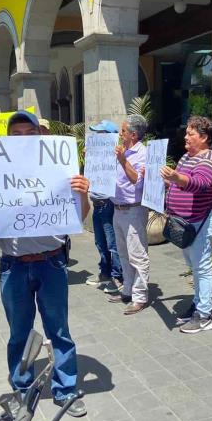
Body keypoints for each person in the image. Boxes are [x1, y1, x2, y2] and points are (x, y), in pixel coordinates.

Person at [0, 110, 90, 418]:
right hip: (13, 266)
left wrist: (84, 194)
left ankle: (65, 390)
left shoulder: (59, 170)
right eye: (16, 135)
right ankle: (22, 389)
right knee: (19, 333)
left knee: (59, 330)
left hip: (51, 265)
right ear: (8, 140)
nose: (23, 139)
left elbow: (80, 217)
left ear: (40, 137)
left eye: (29, 133)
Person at [161, 116, 212, 333]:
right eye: (186, 133)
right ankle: (198, 303)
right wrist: (169, 180)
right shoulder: (188, 157)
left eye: (191, 134)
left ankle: (204, 315)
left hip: (200, 222)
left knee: (202, 267)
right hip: (186, 223)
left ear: (204, 138)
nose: (185, 137)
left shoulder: (209, 159)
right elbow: (181, 182)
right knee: (194, 266)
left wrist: (177, 178)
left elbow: (199, 184)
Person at [108, 114, 150, 315]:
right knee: (123, 253)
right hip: (117, 209)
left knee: (137, 254)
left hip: (134, 210)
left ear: (133, 134)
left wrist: (123, 160)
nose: (120, 134)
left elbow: (137, 180)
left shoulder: (143, 154)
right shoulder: (120, 150)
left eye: (123, 131)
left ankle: (140, 296)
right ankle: (127, 290)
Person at [85, 120, 123, 294]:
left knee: (112, 243)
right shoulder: (95, 155)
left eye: (100, 134)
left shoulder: (118, 156)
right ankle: (105, 272)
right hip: (97, 203)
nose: (96, 137)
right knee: (100, 242)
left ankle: (118, 277)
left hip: (108, 204)